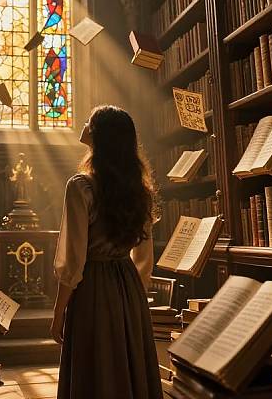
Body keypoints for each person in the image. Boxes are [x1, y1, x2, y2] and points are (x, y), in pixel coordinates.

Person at [51, 105, 162, 399]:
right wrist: (133, 297)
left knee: (95, 367)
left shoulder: (81, 187)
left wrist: (58, 311)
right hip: (128, 284)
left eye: (90, 121)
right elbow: (144, 258)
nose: (84, 124)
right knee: (127, 364)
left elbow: (73, 260)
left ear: (98, 135)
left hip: (93, 286)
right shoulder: (140, 189)